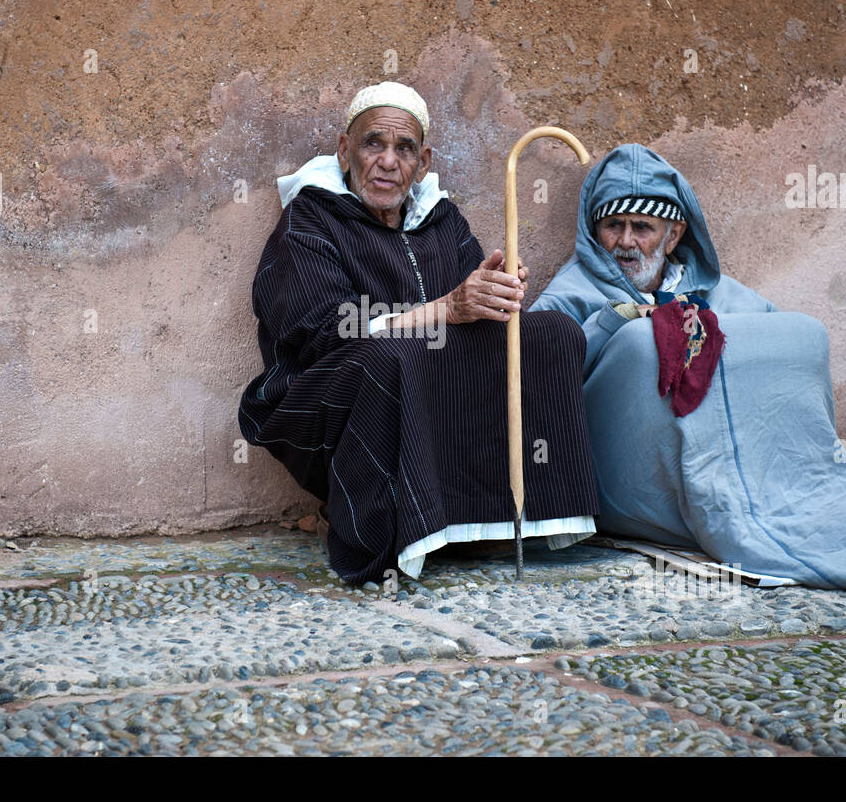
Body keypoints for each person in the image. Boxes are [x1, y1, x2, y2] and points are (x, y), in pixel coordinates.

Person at [531, 143, 846, 593]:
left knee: (804, 335)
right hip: (625, 480)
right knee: (642, 342)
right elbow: (536, 372)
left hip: (735, 469)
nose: (627, 242)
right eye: (614, 226)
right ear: (596, 230)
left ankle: (824, 493)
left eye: (642, 228)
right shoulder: (571, 290)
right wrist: (612, 322)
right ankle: (788, 503)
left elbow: (778, 363)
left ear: (673, 236)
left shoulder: (718, 292)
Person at [238, 82, 600, 585]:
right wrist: (447, 308)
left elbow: (477, 317)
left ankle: (498, 517)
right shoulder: (310, 219)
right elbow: (329, 329)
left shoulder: (442, 220)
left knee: (552, 333)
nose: (387, 162)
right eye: (373, 144)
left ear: (423, 161)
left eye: (404, 149)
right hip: (322, 406)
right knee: (388, 357)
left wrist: (497, 293)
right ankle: (388, 529)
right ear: (345, 150)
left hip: (431, 397)